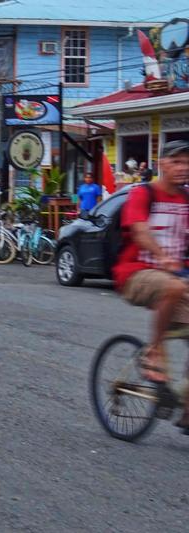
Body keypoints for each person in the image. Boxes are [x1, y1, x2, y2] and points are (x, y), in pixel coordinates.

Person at [113, 140, 189, 431]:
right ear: (162, 164)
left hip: (177, 277)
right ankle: (154, 349)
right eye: (177, 162)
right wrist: (162, 257)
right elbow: (140, 231)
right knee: (173, 287)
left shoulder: (186, 199)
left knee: (176, 287)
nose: (183, 168)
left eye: (187, 162)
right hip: (137, 273)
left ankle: (186, 408)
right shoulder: (143, 193)